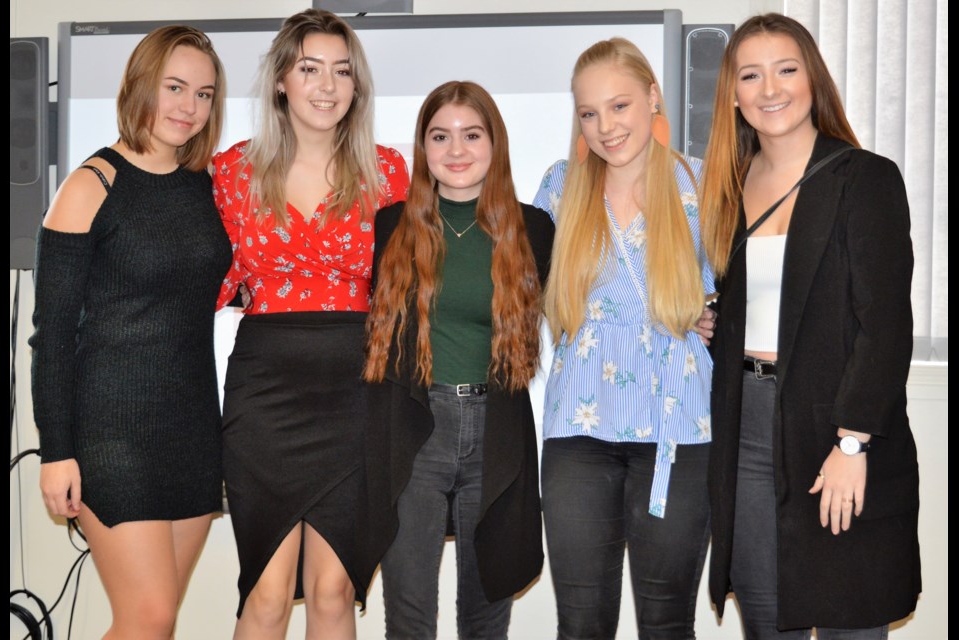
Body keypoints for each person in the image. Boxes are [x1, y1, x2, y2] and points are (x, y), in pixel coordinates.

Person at [700, 13, 921, 639]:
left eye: (786, 69)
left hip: (836, 430)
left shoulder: (865, 177)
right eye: (751, 75)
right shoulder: (728, 187)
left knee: (851, 617)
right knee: (769, 622)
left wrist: (854, 443)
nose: (770, 88)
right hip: (745, 427)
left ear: (812, 78)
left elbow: (885, 326)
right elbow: (760, 297)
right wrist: (712, 318)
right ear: (734, 95)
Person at [211, 9, 409, 639]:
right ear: (281, 82)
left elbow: (412, 289)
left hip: (356, 387)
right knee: (266, 596)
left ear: (357, 87)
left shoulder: (388, 173)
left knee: (333, 591)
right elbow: (191, 275)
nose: (326, 85)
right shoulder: (230, 172)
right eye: (310, 68)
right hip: (264, 389)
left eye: (342, 71)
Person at [30, 26, 229, 638]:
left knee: (157, 625)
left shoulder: (208, 188)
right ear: (141, 83)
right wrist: (55, 450)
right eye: (174, 87)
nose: (187, 107)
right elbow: (52, 335)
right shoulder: (91, 186)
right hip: (110, 433)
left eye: (202, 94)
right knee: (149, 617)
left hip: (192, 426)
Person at [532, 38, 714, 639]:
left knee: (667, 622)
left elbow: (752, 290)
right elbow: (516, 283)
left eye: (619, 106)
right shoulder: (560, 188)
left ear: (653, 97)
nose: (605, 127)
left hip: (678, 432)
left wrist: (718, 317)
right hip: (578, 435)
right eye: (589, 113)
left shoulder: (702, 185)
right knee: (581, 624)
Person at [362, 80, 552, 640]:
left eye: (472, 135)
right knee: (410, 611)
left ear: (495, 144)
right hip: (413, 430)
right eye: (440, 136)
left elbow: (589, 302)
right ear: (423, 148)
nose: (456, 150)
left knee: (486, 610)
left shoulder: (533, 228)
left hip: (498, 430)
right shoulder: (390, 226)